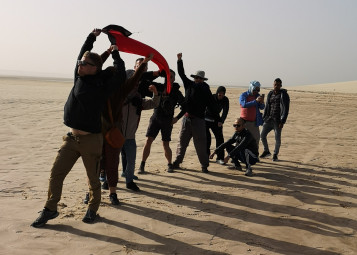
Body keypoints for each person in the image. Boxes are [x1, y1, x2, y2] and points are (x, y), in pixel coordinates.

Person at [31, 28, 126, 227]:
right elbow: (83, 52)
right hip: (71, 139)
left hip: (92, 140)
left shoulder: (104, 86)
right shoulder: (79, 76)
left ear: (94, 68)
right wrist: (92, 37)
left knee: (93, 179)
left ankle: (92, 209)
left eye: (84, 63)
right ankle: (50, 209)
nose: (79, 65)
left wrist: (115, 51)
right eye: (79, 63)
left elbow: (120, 70)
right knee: (56, 173)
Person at [85, 54, 155, 206]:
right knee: (99, 164)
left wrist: (143, 64)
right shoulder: (98, 90)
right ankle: (94, 192)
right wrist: (109, 52)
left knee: (110, 163)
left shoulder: (120, 92)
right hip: (97, 132)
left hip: (111, 133)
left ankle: (112, 193)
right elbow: (94, 68)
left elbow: (135, 79)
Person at [172, 53, 222, 173]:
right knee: (182, 142)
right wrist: (179, 60)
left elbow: (212, 106)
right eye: (197, 78)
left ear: (203, 79)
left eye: (200, 78)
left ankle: (204, 165)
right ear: (194, 78)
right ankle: (177, 162)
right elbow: (181, 74)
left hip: (199, 121)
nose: (198, 80)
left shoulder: (206, 90)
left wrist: (218, 119)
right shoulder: (189, 85)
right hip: (186, 118)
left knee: (200, 145)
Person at [139, 69, 185, 174]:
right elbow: (143, 81)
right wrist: (158, 73)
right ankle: (142, 165)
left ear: (174, 79)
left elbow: (185, 106)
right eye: (168, 76)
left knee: (166, 144)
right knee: (148, 141)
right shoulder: (158, 86)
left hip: (167, 121)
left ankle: (169, 164)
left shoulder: (176, 92)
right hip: (155, 118)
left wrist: (177, 118)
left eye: (172, 77)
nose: (170, 78)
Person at [120, 80, 160, 191]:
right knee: (112, 161)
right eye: (133, 84)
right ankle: (108, 182)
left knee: (131, 161)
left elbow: (154, 103)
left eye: (137, 84)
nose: (135, 86)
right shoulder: (117, 97)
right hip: (116, 136)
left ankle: (129, 181)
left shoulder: (138, 100)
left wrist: (155, 93)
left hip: (130, 137)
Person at [260, 78, 290, 161]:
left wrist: (283, 121)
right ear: (273, 85)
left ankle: (275, 154)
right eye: (275, 84)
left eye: (278, 85)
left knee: (277, 138)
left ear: (281, 85)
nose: (276, 86)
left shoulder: (284, 95)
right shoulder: (270, 93)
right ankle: (266, 151)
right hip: (269, 119)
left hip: (278, 121)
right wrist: (264, 117)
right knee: (262, 135)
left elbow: (286, 109)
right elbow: (267, 106)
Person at [205, 86, 229, 165]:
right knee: (207, 138)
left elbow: (225, 112)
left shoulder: (225, 100)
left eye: (222, 94)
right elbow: (207, 108)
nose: (220, 95)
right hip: (206, 118)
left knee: (220, 138)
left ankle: (220, 158)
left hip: (217, 119)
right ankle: (206, 156)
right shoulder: (211, 97)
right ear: (217, 93)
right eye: (219, 94)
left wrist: (221, 121)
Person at [239, 81, 265, 150]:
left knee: (256, 139)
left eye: (258, 90)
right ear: (251, 87)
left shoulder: (257, 96)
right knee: (241, 140)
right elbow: (244, 104)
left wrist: (262, 102)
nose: (256, 91)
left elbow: (262, 107)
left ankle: (255, 155)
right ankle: (236, 156)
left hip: (254, 122)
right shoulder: (244, 95)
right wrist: (255, 101)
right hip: (244, 122)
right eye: (255, 89)